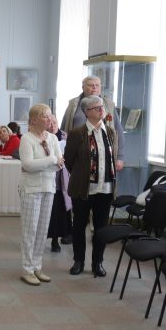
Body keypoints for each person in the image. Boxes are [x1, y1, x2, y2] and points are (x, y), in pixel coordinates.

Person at [63, 95, 117, 278]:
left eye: (102, 107)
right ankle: (78, 261)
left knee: (101, 228)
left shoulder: (110, 132)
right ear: (87, 112)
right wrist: (82, 175)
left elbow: (112, 158)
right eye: (96, 107)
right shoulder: (77, 133)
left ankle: (97, 262)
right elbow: (69, 161)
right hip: (83, 189)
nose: (101, 110)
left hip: (105, 189)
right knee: (79, 226)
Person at [18, 104, 64, 286]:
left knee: (43, 230)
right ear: (34, 120)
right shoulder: (27, 139)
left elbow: (60, 165)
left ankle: (37, 266)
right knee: (30, 230)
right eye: (45, 116)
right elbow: (28, 165)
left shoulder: (52, 138)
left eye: (50, 115)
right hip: (31, 189)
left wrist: (47, 163)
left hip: (48, 188)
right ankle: (27, 269)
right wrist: (51, 160)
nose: (49, 119)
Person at [61, 76, 124, 173]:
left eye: (97, 85)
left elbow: (118, 132)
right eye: (90, 85)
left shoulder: (109, 105)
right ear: (83, 88)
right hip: (77, 152)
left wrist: (119, 157)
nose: (94, 87)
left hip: (103, 153)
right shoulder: (73, 104)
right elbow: (64, 128)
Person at [45, 113, 72, 252]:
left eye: (54, 122)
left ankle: (58, 238)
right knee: (50, 211)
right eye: (49, 123)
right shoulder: (43, 137)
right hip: (48, 178)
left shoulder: (65, 137)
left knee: (61, 210)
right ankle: (48, 238)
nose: (52, 125)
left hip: (62, 180)